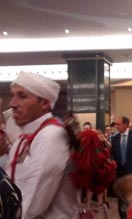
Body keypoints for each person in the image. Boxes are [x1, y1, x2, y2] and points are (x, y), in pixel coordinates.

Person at [4, 71, 80, 218]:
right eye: (13, 95)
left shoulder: (51, 135)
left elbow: (32, 201)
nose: (12, 103)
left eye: (22, 96)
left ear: (44, 103)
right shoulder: (23, 140)